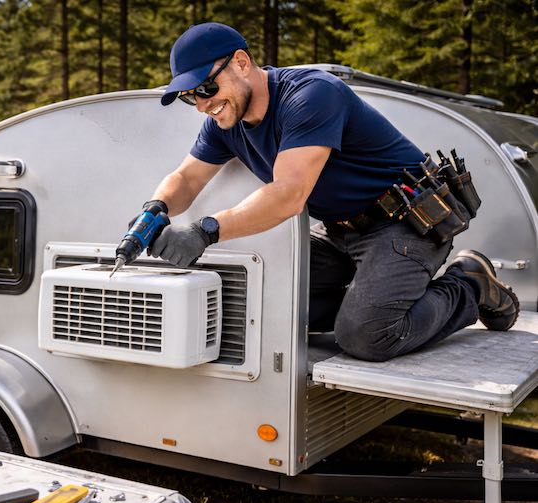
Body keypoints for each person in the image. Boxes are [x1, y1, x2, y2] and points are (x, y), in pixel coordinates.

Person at [140, 22, 519, 361]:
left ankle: (470, 284)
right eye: (191, 97)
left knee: (366, 336)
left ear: (241, 62)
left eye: (207, 87)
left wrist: (206, 230)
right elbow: (187, 179)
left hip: (405, 222)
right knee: (269, 303)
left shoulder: (311, 96)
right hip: (340, 230)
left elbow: (288, 194)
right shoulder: (225, 122)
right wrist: (155, 208)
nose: (203, 104)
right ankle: (374, 301)